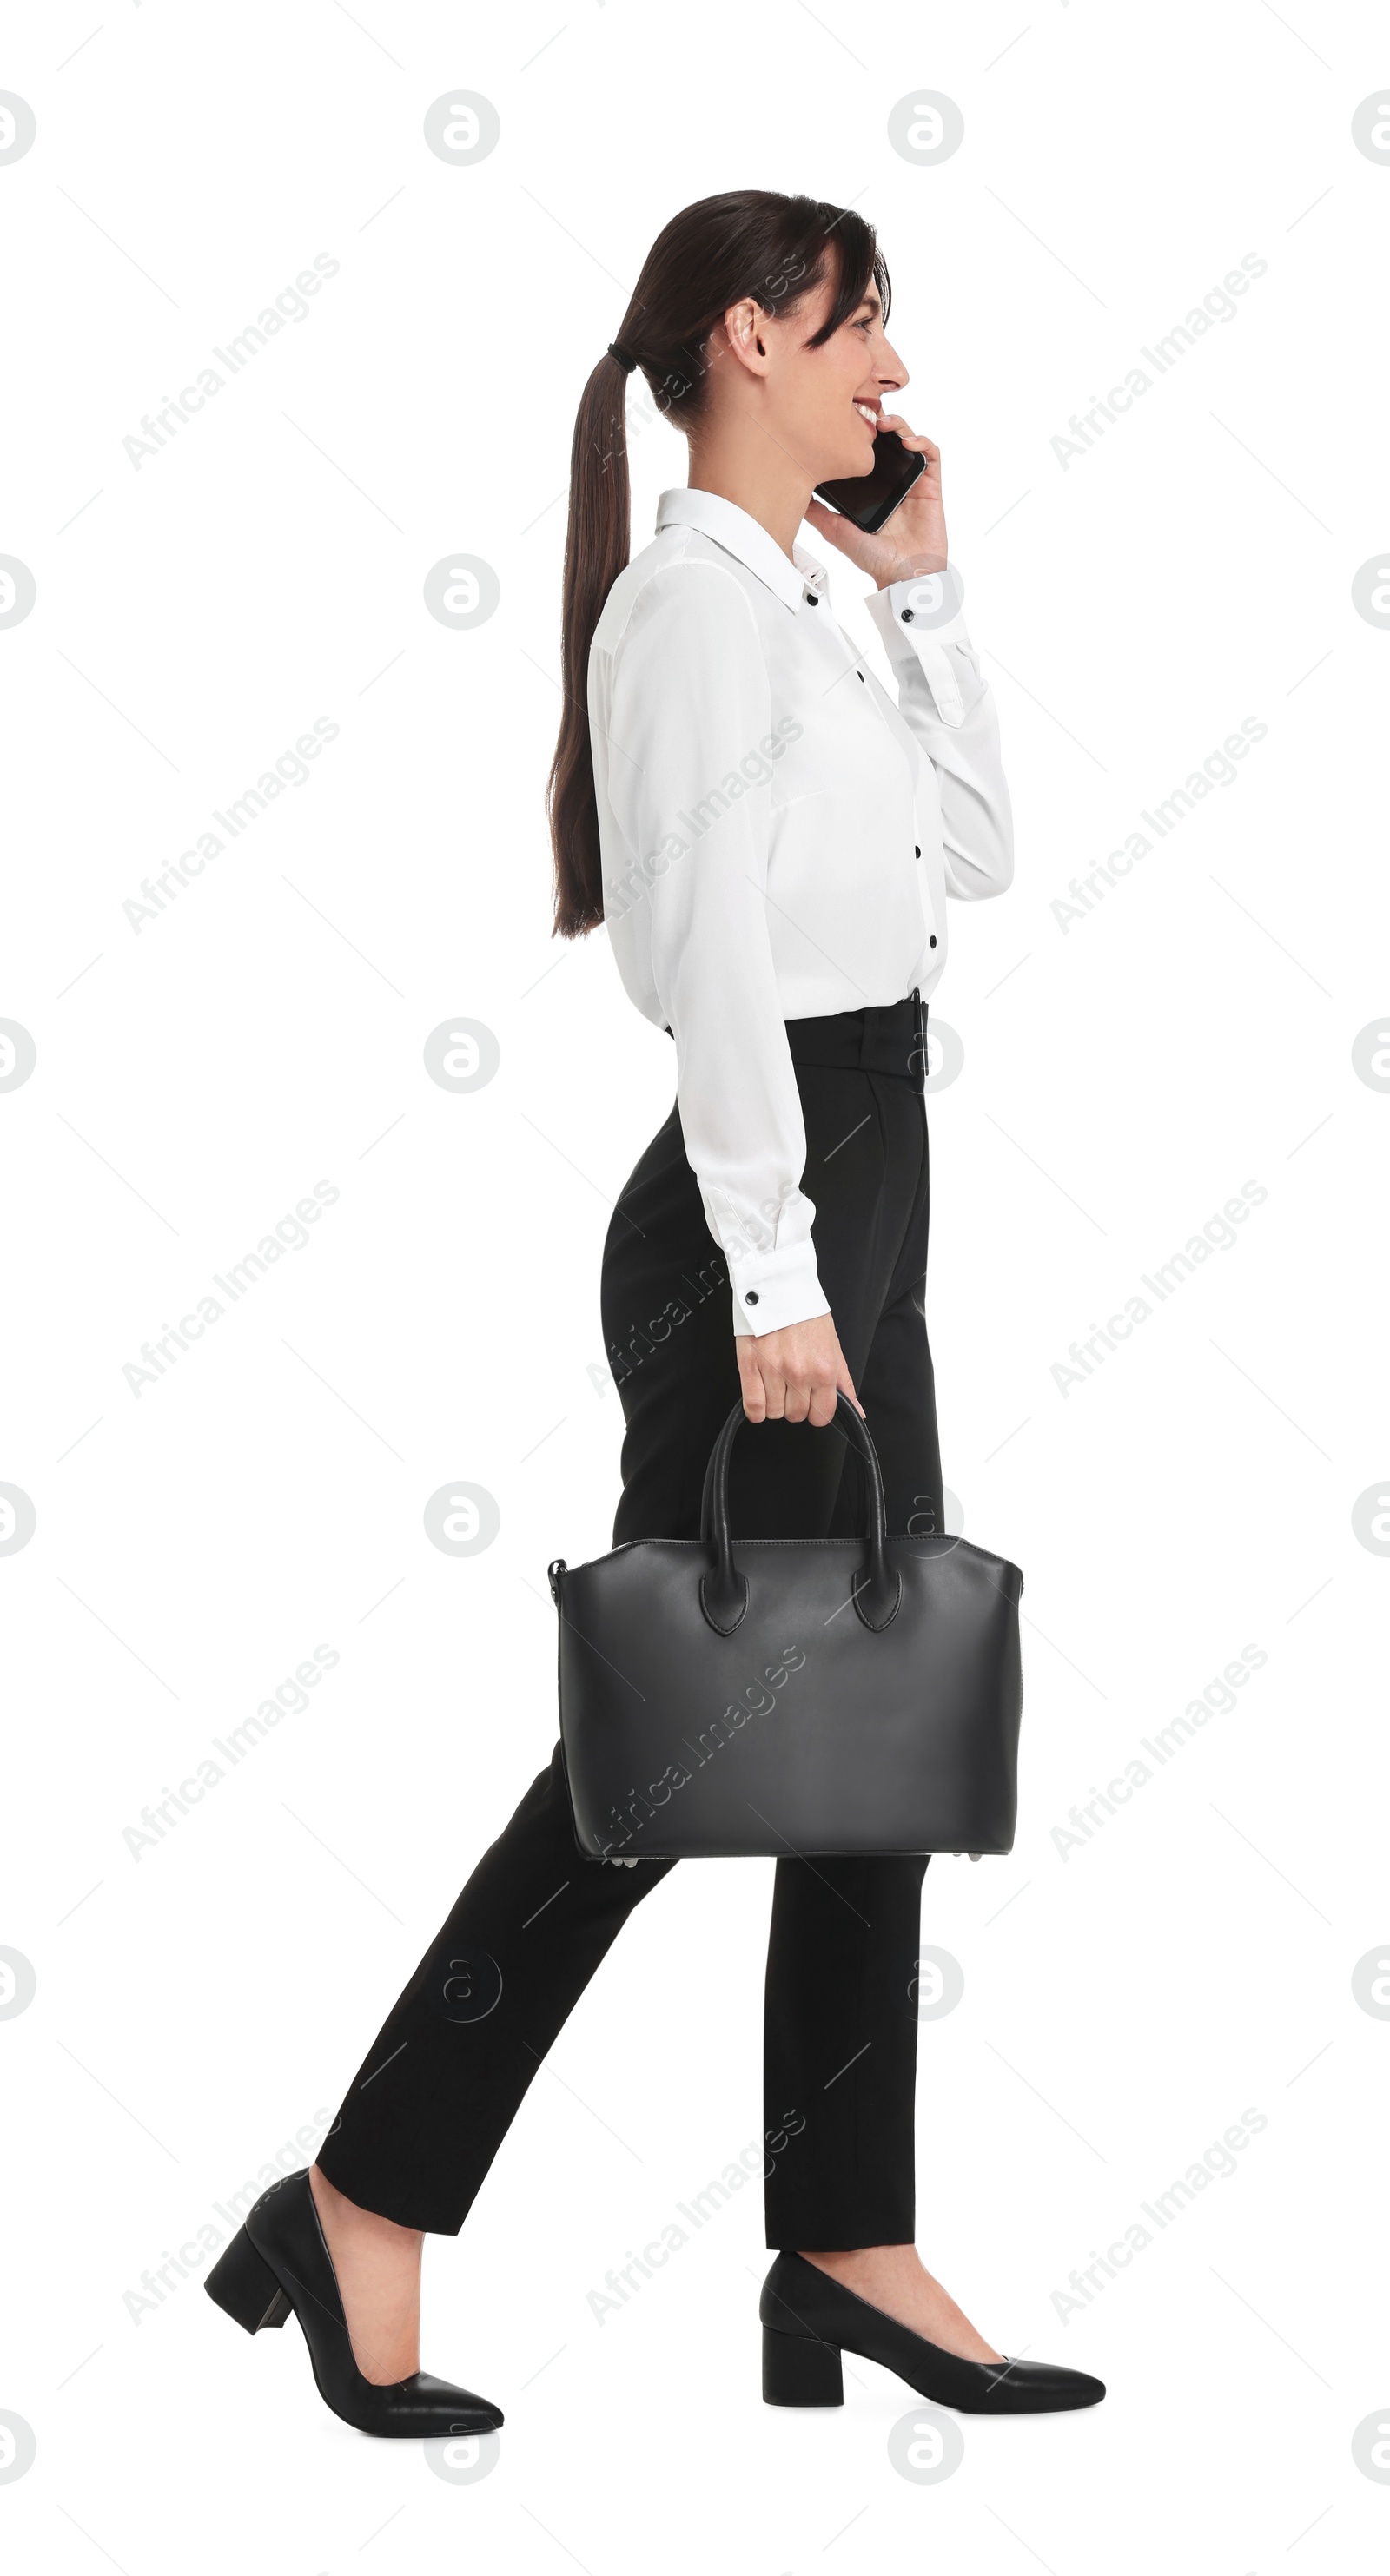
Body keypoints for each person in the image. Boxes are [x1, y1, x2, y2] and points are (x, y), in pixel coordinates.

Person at [206, 188, 1104, 2434]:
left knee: (871, 1705)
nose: (895, 376)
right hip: (770, 1191)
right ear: (746, 340)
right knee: (668, 1751)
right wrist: (775, 1268)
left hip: (853, 1166)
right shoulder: (690, 608)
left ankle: (842, 2241)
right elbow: (703, 961)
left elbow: (971, 863)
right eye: (862, 331)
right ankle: (370, 2195)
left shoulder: (807, 594)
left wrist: (928, 593)